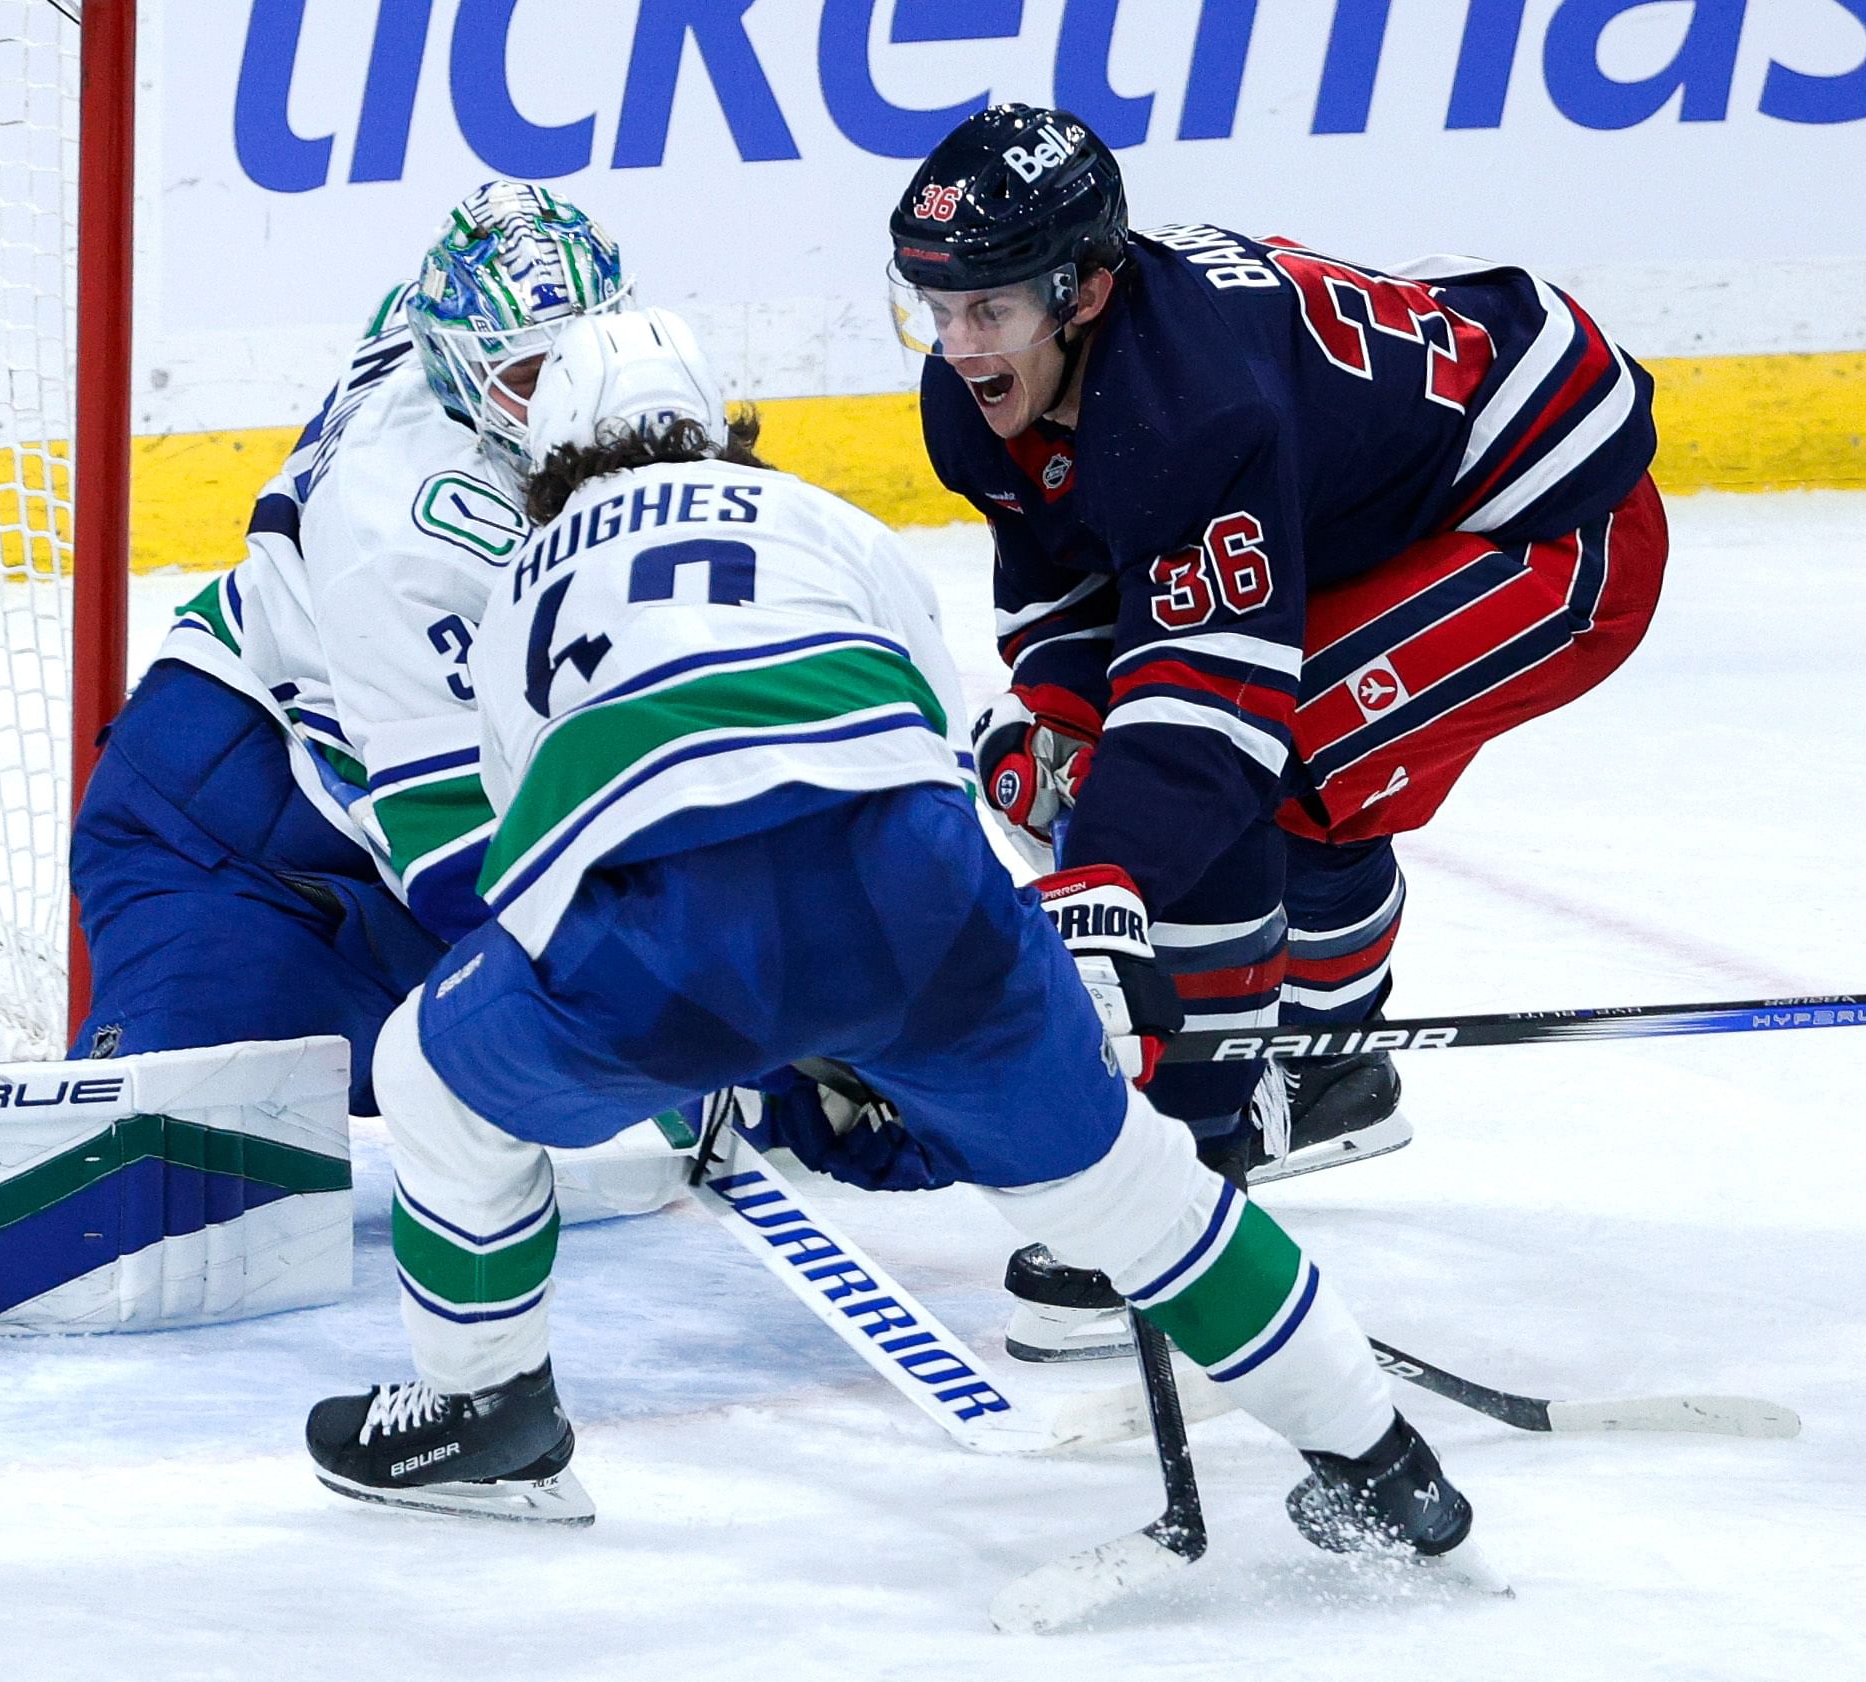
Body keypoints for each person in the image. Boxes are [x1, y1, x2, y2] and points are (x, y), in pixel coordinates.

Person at [302, 306, 1490, 1584]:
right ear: (716, 423)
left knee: (432, 1075)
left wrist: (746, 1048)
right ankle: (1389, 1473)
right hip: (915, 891)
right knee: (1136, 1191)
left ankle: (492, 1412)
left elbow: (531, 859)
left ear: (548, 460)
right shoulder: (832, 524)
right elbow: (925, 755)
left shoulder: (524, 581)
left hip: (663, 934)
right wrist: (941, 1010)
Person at [0, 184, 673, 1355]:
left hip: (354, 793)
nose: (555, 404)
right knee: (155, 1159)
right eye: (522, 377)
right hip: (230, 833)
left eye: (568, 362)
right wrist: (690, 1002)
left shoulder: (446, 340)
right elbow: (466, 873)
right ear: (455, 364)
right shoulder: (407, 537)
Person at [888, 106, 1666, 1352]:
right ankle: (1326, 1066)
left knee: (1263, 762)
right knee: (1173, 769)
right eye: (934, 303)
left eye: (990, 309)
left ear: (1084, 290)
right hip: (1386, 484)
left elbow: (1210, 724)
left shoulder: (1189, 408)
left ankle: (1186, 1182)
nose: (958, 344)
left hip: (1556, 519)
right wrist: (1058, 726)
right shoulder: (989, 394)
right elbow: (1083, 596)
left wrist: (1101, 882)